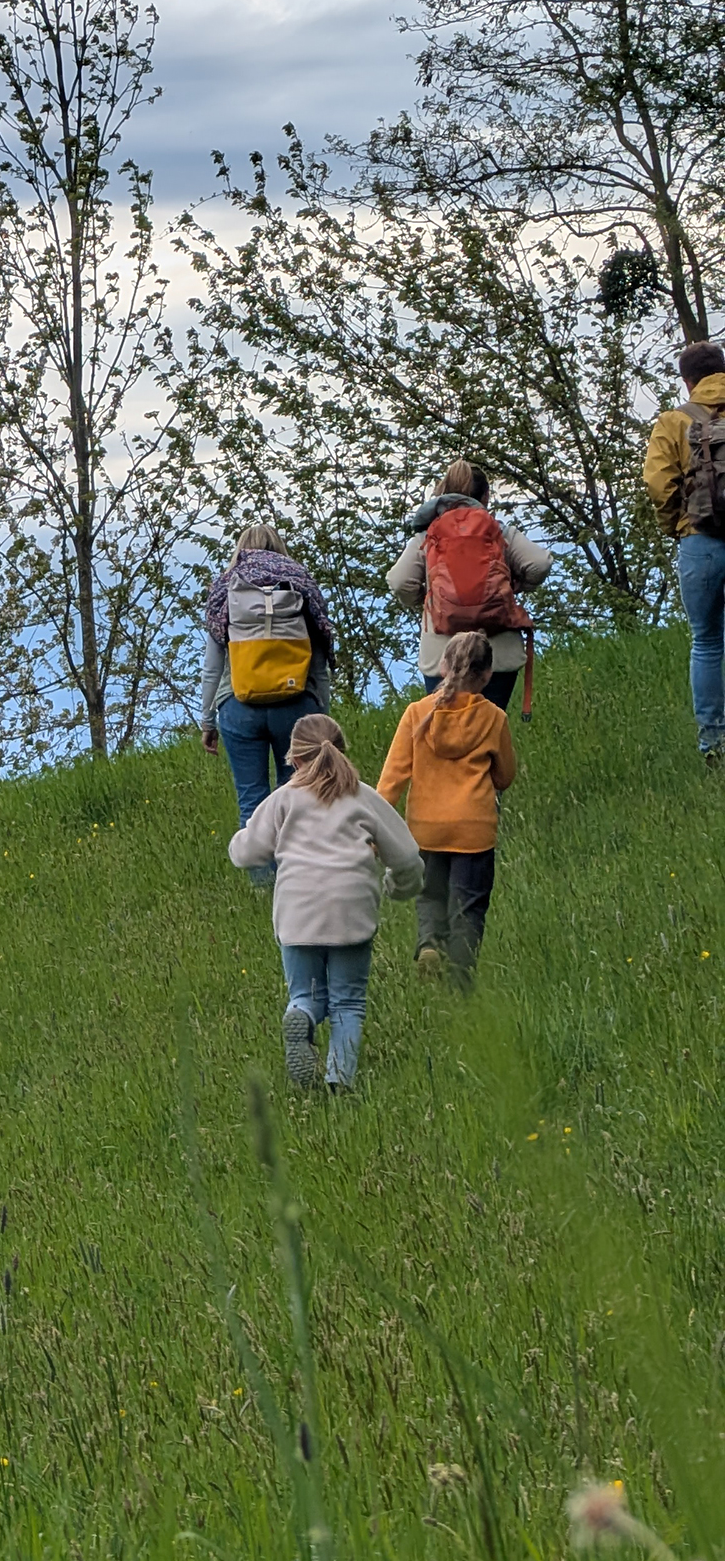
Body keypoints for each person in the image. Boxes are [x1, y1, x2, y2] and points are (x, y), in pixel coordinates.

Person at [228, 713, 423, 1094]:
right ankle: (339, 1083)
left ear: (294, 758)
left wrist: (240, 839)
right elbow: (408, 858)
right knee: (348, 1002)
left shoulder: (282, 801)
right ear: (341, 751)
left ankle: (300, 1014)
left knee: (306, 993)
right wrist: (398, 887)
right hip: (352, 912)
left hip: (298, 913)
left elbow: (247, 853)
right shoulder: (365, 798)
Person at [376, 629, 517, 986]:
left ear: (442, 666)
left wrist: (375, 831)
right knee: (468, 910)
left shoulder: (416, 713)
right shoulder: (493, 718)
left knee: (430, 897)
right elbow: (505, 776)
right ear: (487, 675)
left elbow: (392, 778)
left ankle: (429, 944)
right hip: (474, 831)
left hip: (425, 827)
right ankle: (460, 983)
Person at [201, 523, 337, 880]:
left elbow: (212, 666)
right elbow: (319, 656)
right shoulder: (299, 581)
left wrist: (207, 720)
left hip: (238, 705)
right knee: (299, 797)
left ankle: (265, 886)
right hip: (296, 704)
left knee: (253, 799)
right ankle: (302, 879)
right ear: (280, 546)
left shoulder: (225, 588)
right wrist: (321, 711)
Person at [388, 460, 551, 711]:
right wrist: (515, 586)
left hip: (442, 656)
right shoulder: (498, 532)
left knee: (446, 734)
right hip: (498, 655)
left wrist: (427, 601)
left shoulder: (428, 535)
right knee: (489, 729)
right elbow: (539, 564)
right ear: (485, 496)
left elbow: (400, 581)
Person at [642, 340, 725, 763]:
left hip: (700, 540)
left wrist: (677, 525)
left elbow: (659, 484)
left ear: (687, 381)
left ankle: (713, 743)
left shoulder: (674, 421)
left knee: (708, 642)